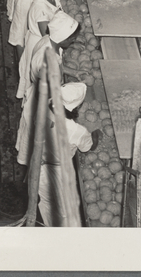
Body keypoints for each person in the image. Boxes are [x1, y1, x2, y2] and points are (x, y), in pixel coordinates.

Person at [16, 13, 99, 179]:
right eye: (71, 39)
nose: (73, 42)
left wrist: (73, 72)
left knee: (33, 154)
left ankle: (27, 179)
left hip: (39, 102)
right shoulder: (71, 128)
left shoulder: (47, 43)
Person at [38, 82, 97, 226]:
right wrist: (96, 133)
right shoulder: (77, 131)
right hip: (57, 171)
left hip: (39, 163)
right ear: (76, 108)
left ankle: (47, 226)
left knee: (45, 201)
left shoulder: (45, 106)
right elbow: (88, 147)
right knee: (62, 209)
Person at [17, 0, 63, 100]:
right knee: (37, 83)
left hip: (46, 42)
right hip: (40, 44)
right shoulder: (40, 7)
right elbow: (47, 35)